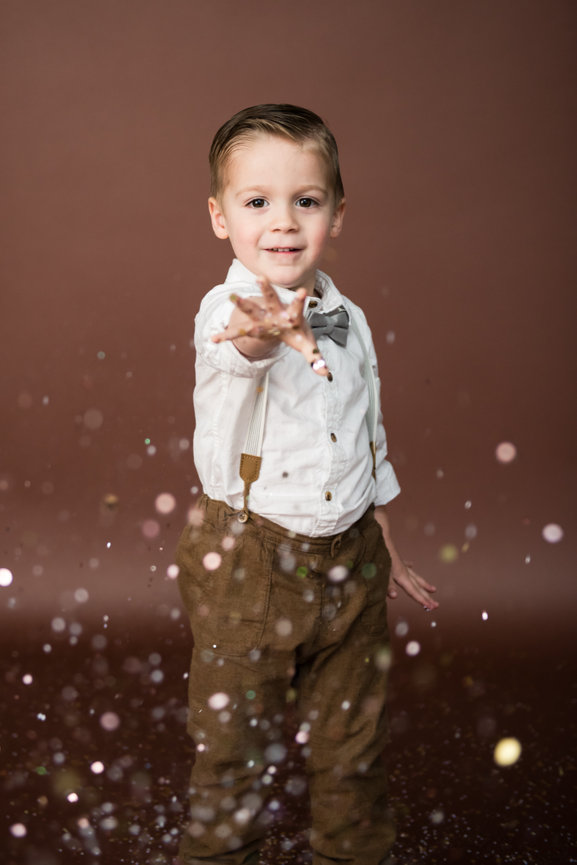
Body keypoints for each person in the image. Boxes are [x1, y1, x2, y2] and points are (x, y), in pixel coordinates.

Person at [175, 104, 438, 865]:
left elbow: (363, 431)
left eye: (306, 200)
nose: (282, 222)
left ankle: (353, 852)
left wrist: (380, 532)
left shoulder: (347, 317)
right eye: (256, 202)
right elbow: (241, 349)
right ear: (220, 218)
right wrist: (267, 327)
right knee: (233, 748)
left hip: (349, 561)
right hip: (250, 564)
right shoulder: (224, 311)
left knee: (352, 742)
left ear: (337, 214)